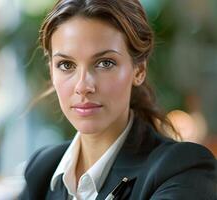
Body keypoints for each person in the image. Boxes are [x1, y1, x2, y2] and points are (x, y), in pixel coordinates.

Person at [19, 0, 217, 199]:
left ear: (139, 69)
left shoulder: (182, 169)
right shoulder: (44, 169)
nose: (83, 86)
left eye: (105, 63)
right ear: (51, 71)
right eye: (66, 65)